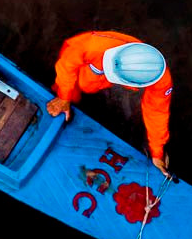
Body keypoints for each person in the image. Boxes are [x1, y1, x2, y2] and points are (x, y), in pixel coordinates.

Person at [44, 32, 175, 174]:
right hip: (84, 65)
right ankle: (64, 97)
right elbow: (67, 63)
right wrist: (64, 96)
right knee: (68, 89)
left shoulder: (161, 81)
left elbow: (157, 112)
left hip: (96, 78)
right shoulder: (94, 46)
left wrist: (157, 151)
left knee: (83, 88)